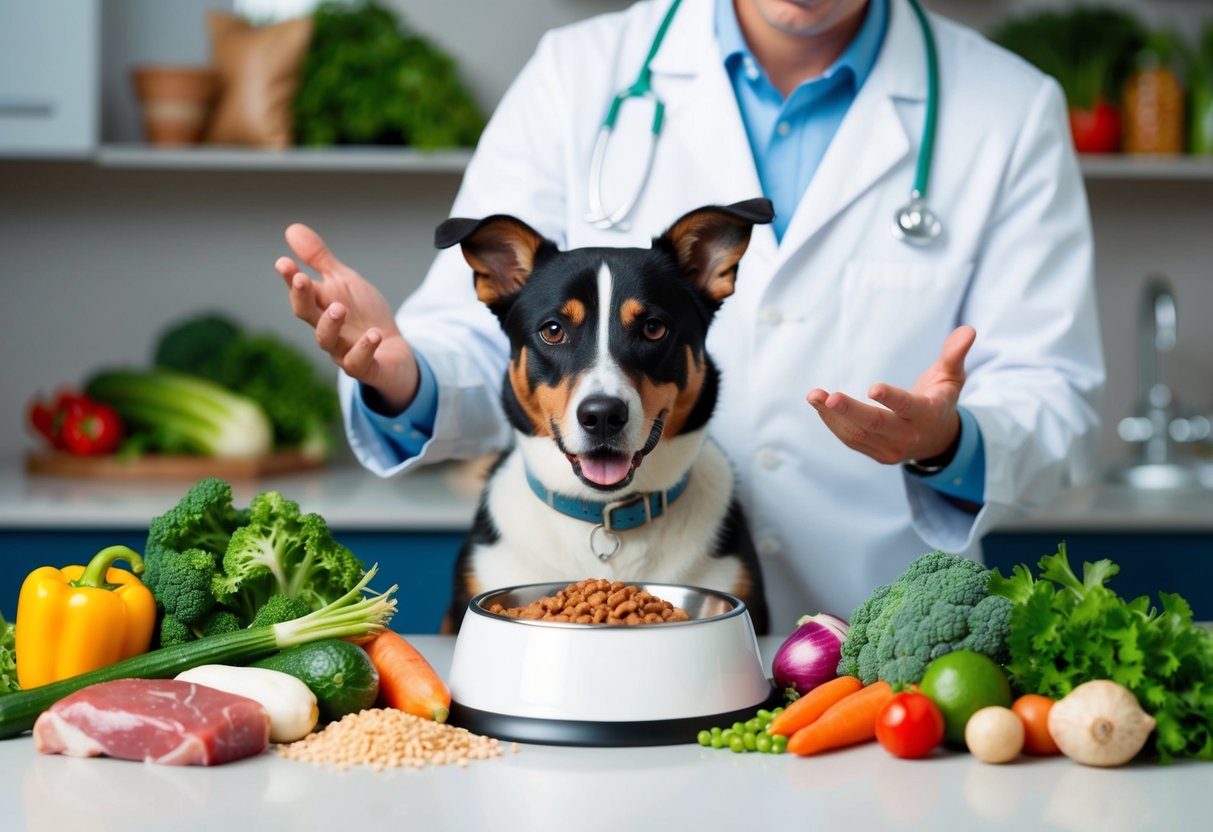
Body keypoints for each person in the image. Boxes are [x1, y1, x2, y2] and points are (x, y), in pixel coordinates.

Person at [275, 0, 1105, 629]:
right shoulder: (579, 71)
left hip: (875, 636)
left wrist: (945, 444)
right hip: (591, 611)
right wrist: (401, 374)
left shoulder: (1008, 107)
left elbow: (1055, 399)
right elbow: (486, 332)